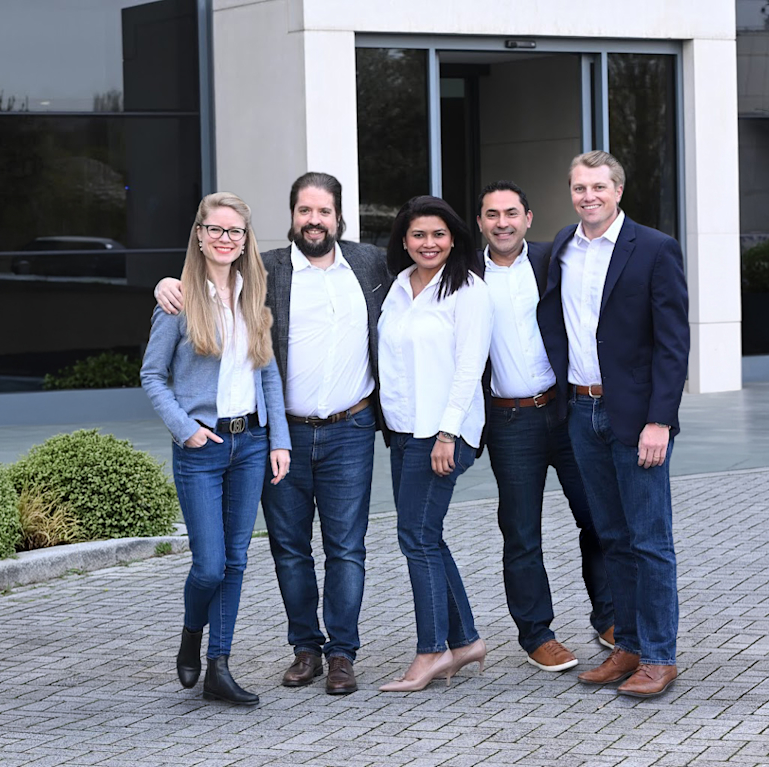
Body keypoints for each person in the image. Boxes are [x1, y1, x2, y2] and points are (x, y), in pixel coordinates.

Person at [154, 173, 391, 695]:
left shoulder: (371, 264)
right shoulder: (267, 269)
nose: (313, 220)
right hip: (280, 433)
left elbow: (430, 266)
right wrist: (164, 282)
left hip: (349, 428)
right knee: (288, 547)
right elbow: (206, 275)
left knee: (347, 548)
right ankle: (305, 648)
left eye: (323, 211)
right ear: (291, 216)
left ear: (338, 216)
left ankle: (342, 654)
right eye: (304, 210)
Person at [537, 151, 690, 699]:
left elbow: (673, 345)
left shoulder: (653, 248)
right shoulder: (562, 247)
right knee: (613, 538)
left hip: (636, 418)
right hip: (581, 411)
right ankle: (626, 645)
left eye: (599, 187)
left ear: (618, 191)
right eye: (579, 187)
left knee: (650, 540)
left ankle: (658, 655)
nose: (588, 197)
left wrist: (660, 421)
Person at [140, 192, 291, 707]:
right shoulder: (179, 299)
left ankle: (219, 667)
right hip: (202, 448)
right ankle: (190, 634)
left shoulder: (255, 295)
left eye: (236, 231)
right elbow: (152, 376)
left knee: (237, 560)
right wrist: (186, 429)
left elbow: (268, 372)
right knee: (209, 566)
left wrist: (279, 441)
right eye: (216, 229)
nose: (226, 239)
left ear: (245, 238)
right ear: (200, 234)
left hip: (250, 444)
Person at [476, 180, 614, 673]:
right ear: (480, 223)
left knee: (597, 516)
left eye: (511, 213)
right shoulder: (467, 275)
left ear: (528, 218)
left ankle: (610, 616)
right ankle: (537, 633)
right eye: (492, 215)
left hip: (565, 410)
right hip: (509, 418)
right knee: (520, 531)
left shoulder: (552, 259)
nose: (502, 223)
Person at [376, 195, 493, 692]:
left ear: (454, 239)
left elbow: (470, 367)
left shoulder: (468, 290)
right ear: (404, 240)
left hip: (442, 433)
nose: (429, 243)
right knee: (426, 535)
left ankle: (432, 651)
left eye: (439, 234)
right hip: (403, 430)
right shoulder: (396, 288)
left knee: (417, 537)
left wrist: (446, 432)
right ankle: (464, 641)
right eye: (419, 235)